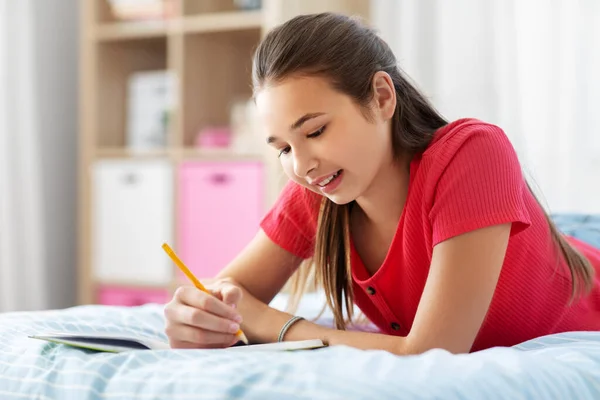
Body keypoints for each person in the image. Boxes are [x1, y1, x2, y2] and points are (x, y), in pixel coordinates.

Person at [164, 12, 600, 355]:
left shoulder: (473, 152)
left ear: (383, 96)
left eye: (314, 131)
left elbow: (432, 353)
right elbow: (228, 299)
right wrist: (197, 318)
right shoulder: (317, 187)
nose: (301, 166)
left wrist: (281, 327)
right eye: (282, 148)